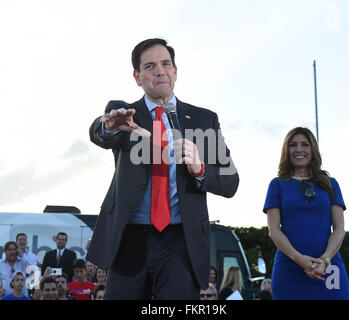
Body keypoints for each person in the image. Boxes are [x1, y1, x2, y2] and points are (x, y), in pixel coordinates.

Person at [86, 38, 239, 300]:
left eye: (166, 63)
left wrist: (200, 167)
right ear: (137, 76)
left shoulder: (203, 119)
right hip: (129, 239)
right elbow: (101, 133)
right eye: (150, 66)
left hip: (181, 242)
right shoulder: (124, 114)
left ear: (175, 71)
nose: (160, 71)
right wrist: (108, 126)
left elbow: (230, 181)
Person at [263, 127, 349, 300]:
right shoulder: (277, 185)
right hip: (289, 270)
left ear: (313, 149)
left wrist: (325, 260)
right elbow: (274, 230)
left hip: (327, 269)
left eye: (305, 144)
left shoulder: (330, 184)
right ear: (286, 151)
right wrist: (299, 259)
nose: (299, 149)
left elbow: (339, 229)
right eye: (293, 145)